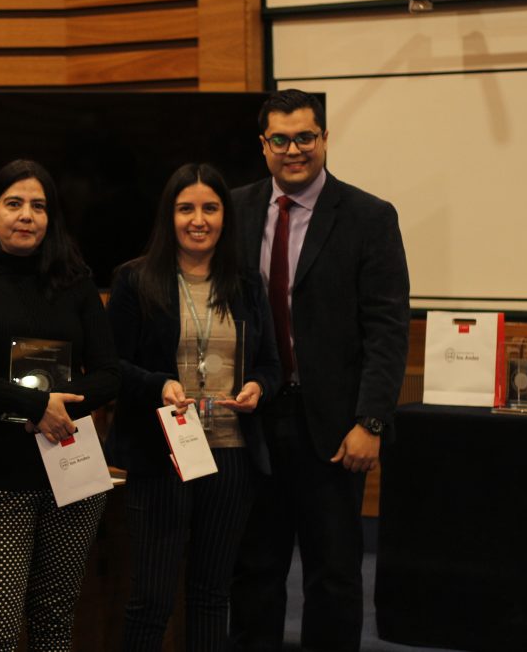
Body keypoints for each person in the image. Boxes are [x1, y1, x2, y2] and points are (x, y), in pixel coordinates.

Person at [229, 89, 410, 651]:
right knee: (255, 569)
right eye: (280, 139)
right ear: (263, 145)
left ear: (325, 138)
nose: (294, 150)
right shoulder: (232, 210)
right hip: (252, 422)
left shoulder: (369, 217)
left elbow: (387, 329)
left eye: (305, 137)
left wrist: (371, 422)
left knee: (333, 575)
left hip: (334, 429)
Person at [106, 162, 281, 651]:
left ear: (226, 215)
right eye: (186, 209)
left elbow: (269, 363)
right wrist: (158, 384)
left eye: (210, 208)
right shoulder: (135, 281)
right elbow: (111, 367)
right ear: (170, 215)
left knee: (210, 595)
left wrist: (258, 389)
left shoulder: (246, 283)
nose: (198, 219)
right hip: (161, 452)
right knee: (152, 599)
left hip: (230, 454)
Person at [0, 159, 120, 651]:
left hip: (74, 472)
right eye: (14, 203)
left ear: (51, 218)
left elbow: (110, 373)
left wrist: (59, 409)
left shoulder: (76, 280)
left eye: (38, 206)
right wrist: (36, 405)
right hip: (2, 478)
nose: (26, 215)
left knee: (54, 622)